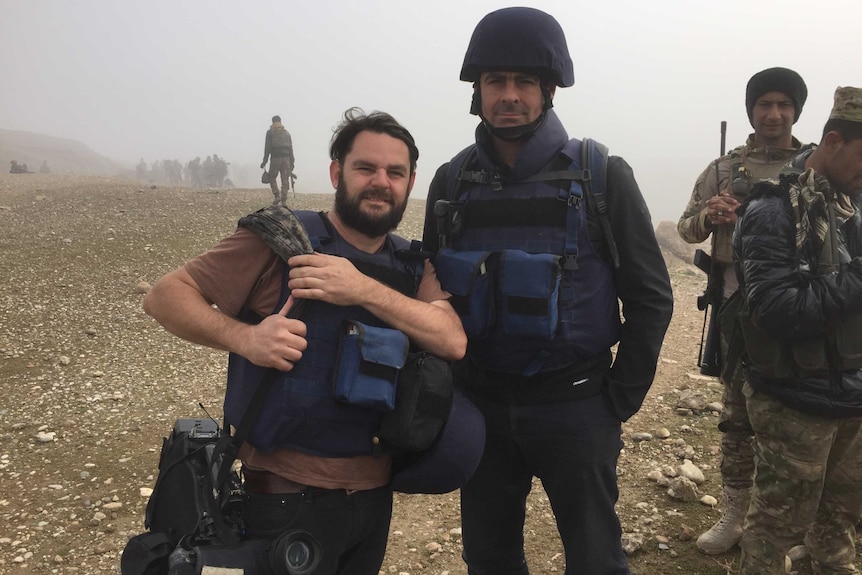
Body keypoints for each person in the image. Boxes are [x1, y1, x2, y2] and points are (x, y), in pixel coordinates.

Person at [144, 107, 467, 574]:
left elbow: (452, 340)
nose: (381, 181)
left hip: (373, 500)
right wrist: (247, 338)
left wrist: (362, 289)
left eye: (395, 172)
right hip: (283, 500)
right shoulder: (281, 240)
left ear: (410, 183)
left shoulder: (412, 266)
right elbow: (165, 296)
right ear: (337, 172)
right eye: (365, 168)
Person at [422, 8, 673, 574]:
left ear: (549, 89)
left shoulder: (601, 173)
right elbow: (430, 292)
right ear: (477, 90)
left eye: (524, 82)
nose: (509, 95)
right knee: (488, 558)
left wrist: (617, 400)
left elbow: (651, 295)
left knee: (594, 558)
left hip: (577, 405)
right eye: (495, 82)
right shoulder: (451, 181)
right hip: (480, 407)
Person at [676, 67, 809, 555]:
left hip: (796, 308)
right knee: (737, 416)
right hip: (734, 307)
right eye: (764, 104)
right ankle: (736, 511)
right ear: (751, 110)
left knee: (796, 419)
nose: (773, 114)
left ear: (795, 111)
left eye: (783, 105)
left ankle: (790, 523)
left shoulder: (814, 166)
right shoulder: (723, 168)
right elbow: (688, 229)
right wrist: (710, 215)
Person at [731, 86, 862, 574]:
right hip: (796, 399)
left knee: (840, 519)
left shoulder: (854, 202)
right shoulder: (774, 210)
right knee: (776, 528)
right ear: (832, 142)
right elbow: (776, 309)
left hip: (853, 396)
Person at [261, 115, 296, 205]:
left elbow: (267, 148)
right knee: (285, 179)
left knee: (272, 177)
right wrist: (292, 161)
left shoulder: (270, 133)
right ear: (280, 122)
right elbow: (290, 148)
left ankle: (277, 196)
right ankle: (284, 200)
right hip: (286, 159)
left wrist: (264, 161)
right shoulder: (287, 133)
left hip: (275, 158)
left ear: (272, 122)